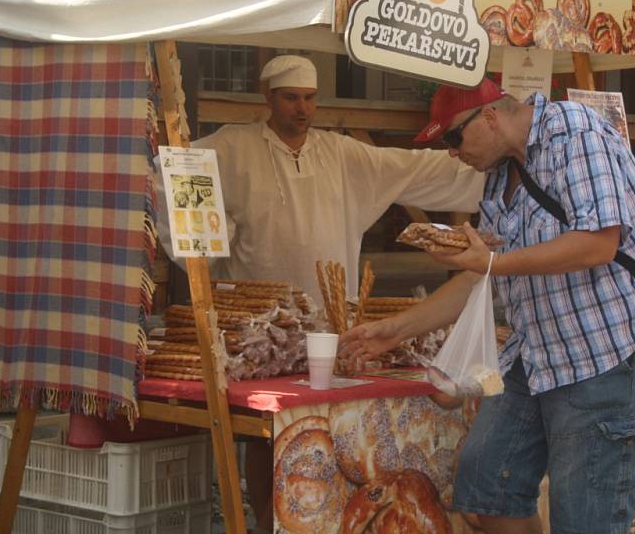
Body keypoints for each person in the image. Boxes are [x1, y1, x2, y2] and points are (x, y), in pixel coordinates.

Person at [156, 54, 484, 531]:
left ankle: (302, 520)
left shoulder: (341, 153)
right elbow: (176, 170)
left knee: (318, 434)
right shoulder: (233, 146)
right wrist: (208, 240)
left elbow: (415, 170)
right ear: (268, 97)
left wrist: (499, 166)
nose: (303, 109)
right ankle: (261, 516)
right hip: (259, 333)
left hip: (330, 326)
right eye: (291, 98)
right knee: (263, 436)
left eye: (310, 98)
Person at [340, 79, 635, 534]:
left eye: (453, 138)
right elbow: (484, 274)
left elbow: (597, 243)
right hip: (537, 352)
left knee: (584, 519)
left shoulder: (575, 133)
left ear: (490, 115)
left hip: (607, 353)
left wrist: (494, 262)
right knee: (486, 486)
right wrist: (396, 329)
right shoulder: (500, 172)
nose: (453, 153)